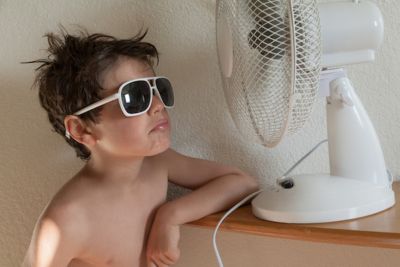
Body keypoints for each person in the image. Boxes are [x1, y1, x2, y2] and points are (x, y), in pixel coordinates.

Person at [22, 28, 259, 267]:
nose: (157, 105)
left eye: (158, 89)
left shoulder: (157, 163)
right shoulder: (67, 219)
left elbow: (243, 183)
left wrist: (170, 216)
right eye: (135, 96)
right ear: (81, 130)